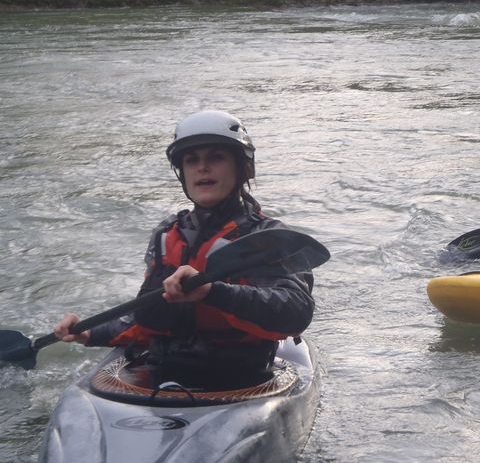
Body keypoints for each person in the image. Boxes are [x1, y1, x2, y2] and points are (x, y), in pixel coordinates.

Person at [54, 110, 315, 385]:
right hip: (163, 373)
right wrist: (90, 333)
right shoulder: (168, 234)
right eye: (192, 160)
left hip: (242, 377)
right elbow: (147, 317)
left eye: (216, 157)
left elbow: (295, 312)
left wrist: (213, 292)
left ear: (242, 167)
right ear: (183, 173)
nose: (202, 167)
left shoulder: (266, 236)